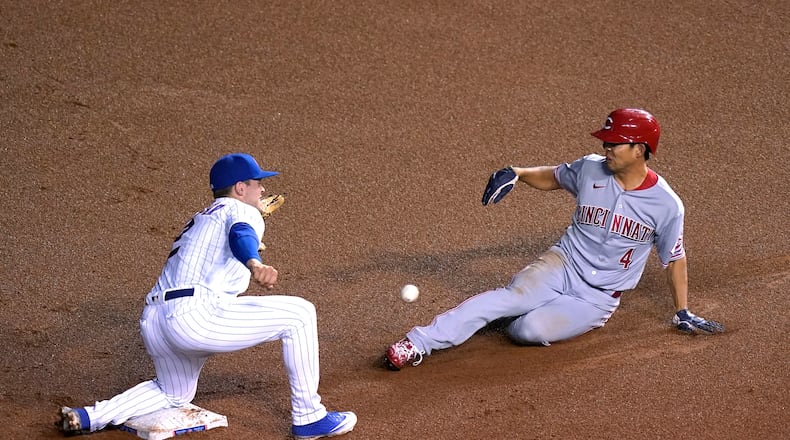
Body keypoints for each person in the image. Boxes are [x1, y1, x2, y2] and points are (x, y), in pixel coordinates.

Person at [384, 108, 725, 371]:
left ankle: (525, 309)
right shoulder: (592, 168)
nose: (606, 147)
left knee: (525, 331)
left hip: (597, 299)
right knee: (509, 299)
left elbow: (674, 257)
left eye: (614, 142)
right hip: (561, 264)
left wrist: (682, 310)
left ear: (639, 149)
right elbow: (554, 176)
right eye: (605, 141)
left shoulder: (666, 205)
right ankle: (418, 343)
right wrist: (517, 173)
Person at [58, 153, 357, 439]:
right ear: (240, 188)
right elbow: (241, 234)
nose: (263, 188)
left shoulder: (203, 217)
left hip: (155, 320)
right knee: (300, 314)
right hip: (194, 318)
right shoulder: (241, 211)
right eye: (257, 182)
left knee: (174, 393)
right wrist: (255, 263)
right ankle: (309, 417)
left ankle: (89, 416)